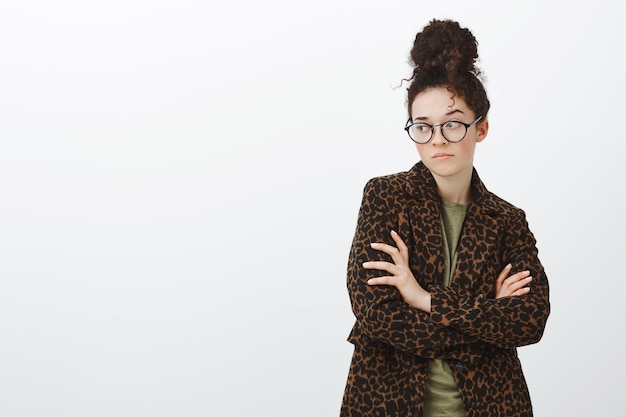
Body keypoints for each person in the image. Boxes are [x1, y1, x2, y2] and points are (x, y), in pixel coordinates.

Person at [340, 19, 550, 417]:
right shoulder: (386, 197)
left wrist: (424, 298)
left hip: (492, 406)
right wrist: (485, 323)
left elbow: (528, 320)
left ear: (481, 127)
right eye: (423, 126)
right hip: (389, 404)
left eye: (453, 123)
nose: (437, 139)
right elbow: (376, 313)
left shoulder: (507, 221)